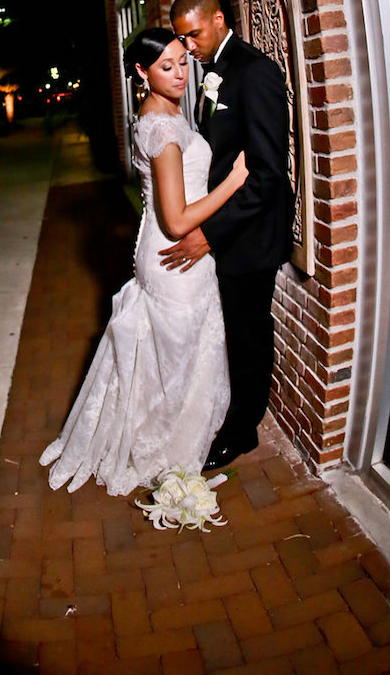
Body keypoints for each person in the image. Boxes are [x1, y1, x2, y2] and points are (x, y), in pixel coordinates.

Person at [40, 28, 248, 496]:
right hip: (175, 256)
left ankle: (167, 433)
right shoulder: (160, 127)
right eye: (165, 67)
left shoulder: (163, 113)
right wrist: (234, 183)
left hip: (158, 251)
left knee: (171, 356)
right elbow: (176, 220)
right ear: (141, 72)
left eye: (181, 61)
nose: (178, 74)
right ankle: (162, 445)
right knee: (176, 360)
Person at [167, 0, 293, 472]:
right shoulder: (213, 71)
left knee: (249, 334)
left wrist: (210, 233)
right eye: (181, 37)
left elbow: (265, 173)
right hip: (225, 222)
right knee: (232, 331)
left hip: (249, 235)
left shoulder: (254, 71)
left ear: (218, 19)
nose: (187, 46)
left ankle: (243, 431)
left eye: (193, 34)